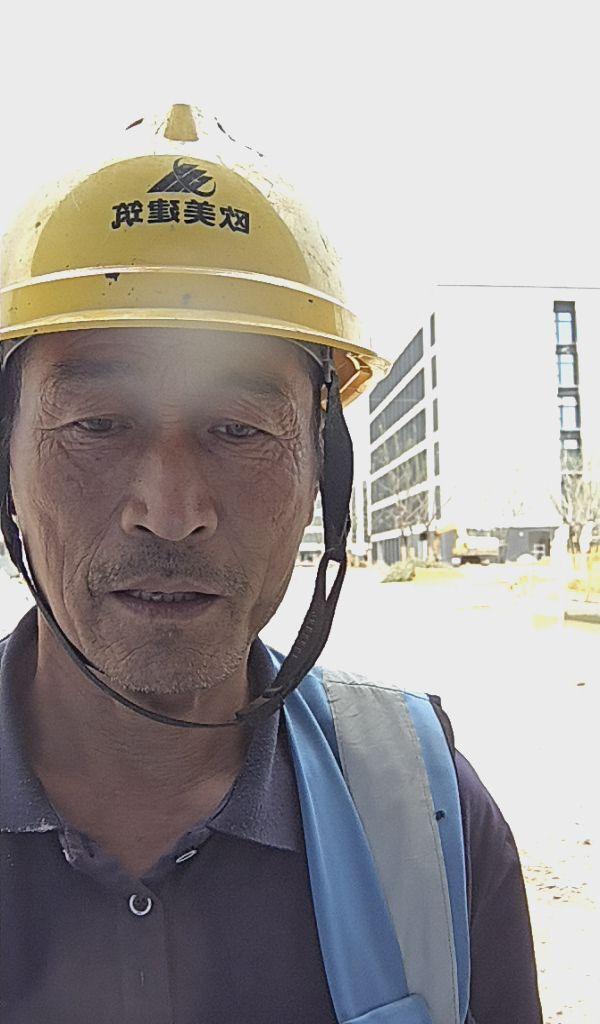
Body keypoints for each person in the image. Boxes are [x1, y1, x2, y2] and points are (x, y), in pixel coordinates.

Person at [0, 104, 543, 1024]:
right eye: (98, 423)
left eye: (239, 430)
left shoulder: (425, 816)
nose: (172, 512)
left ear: (321, 474)